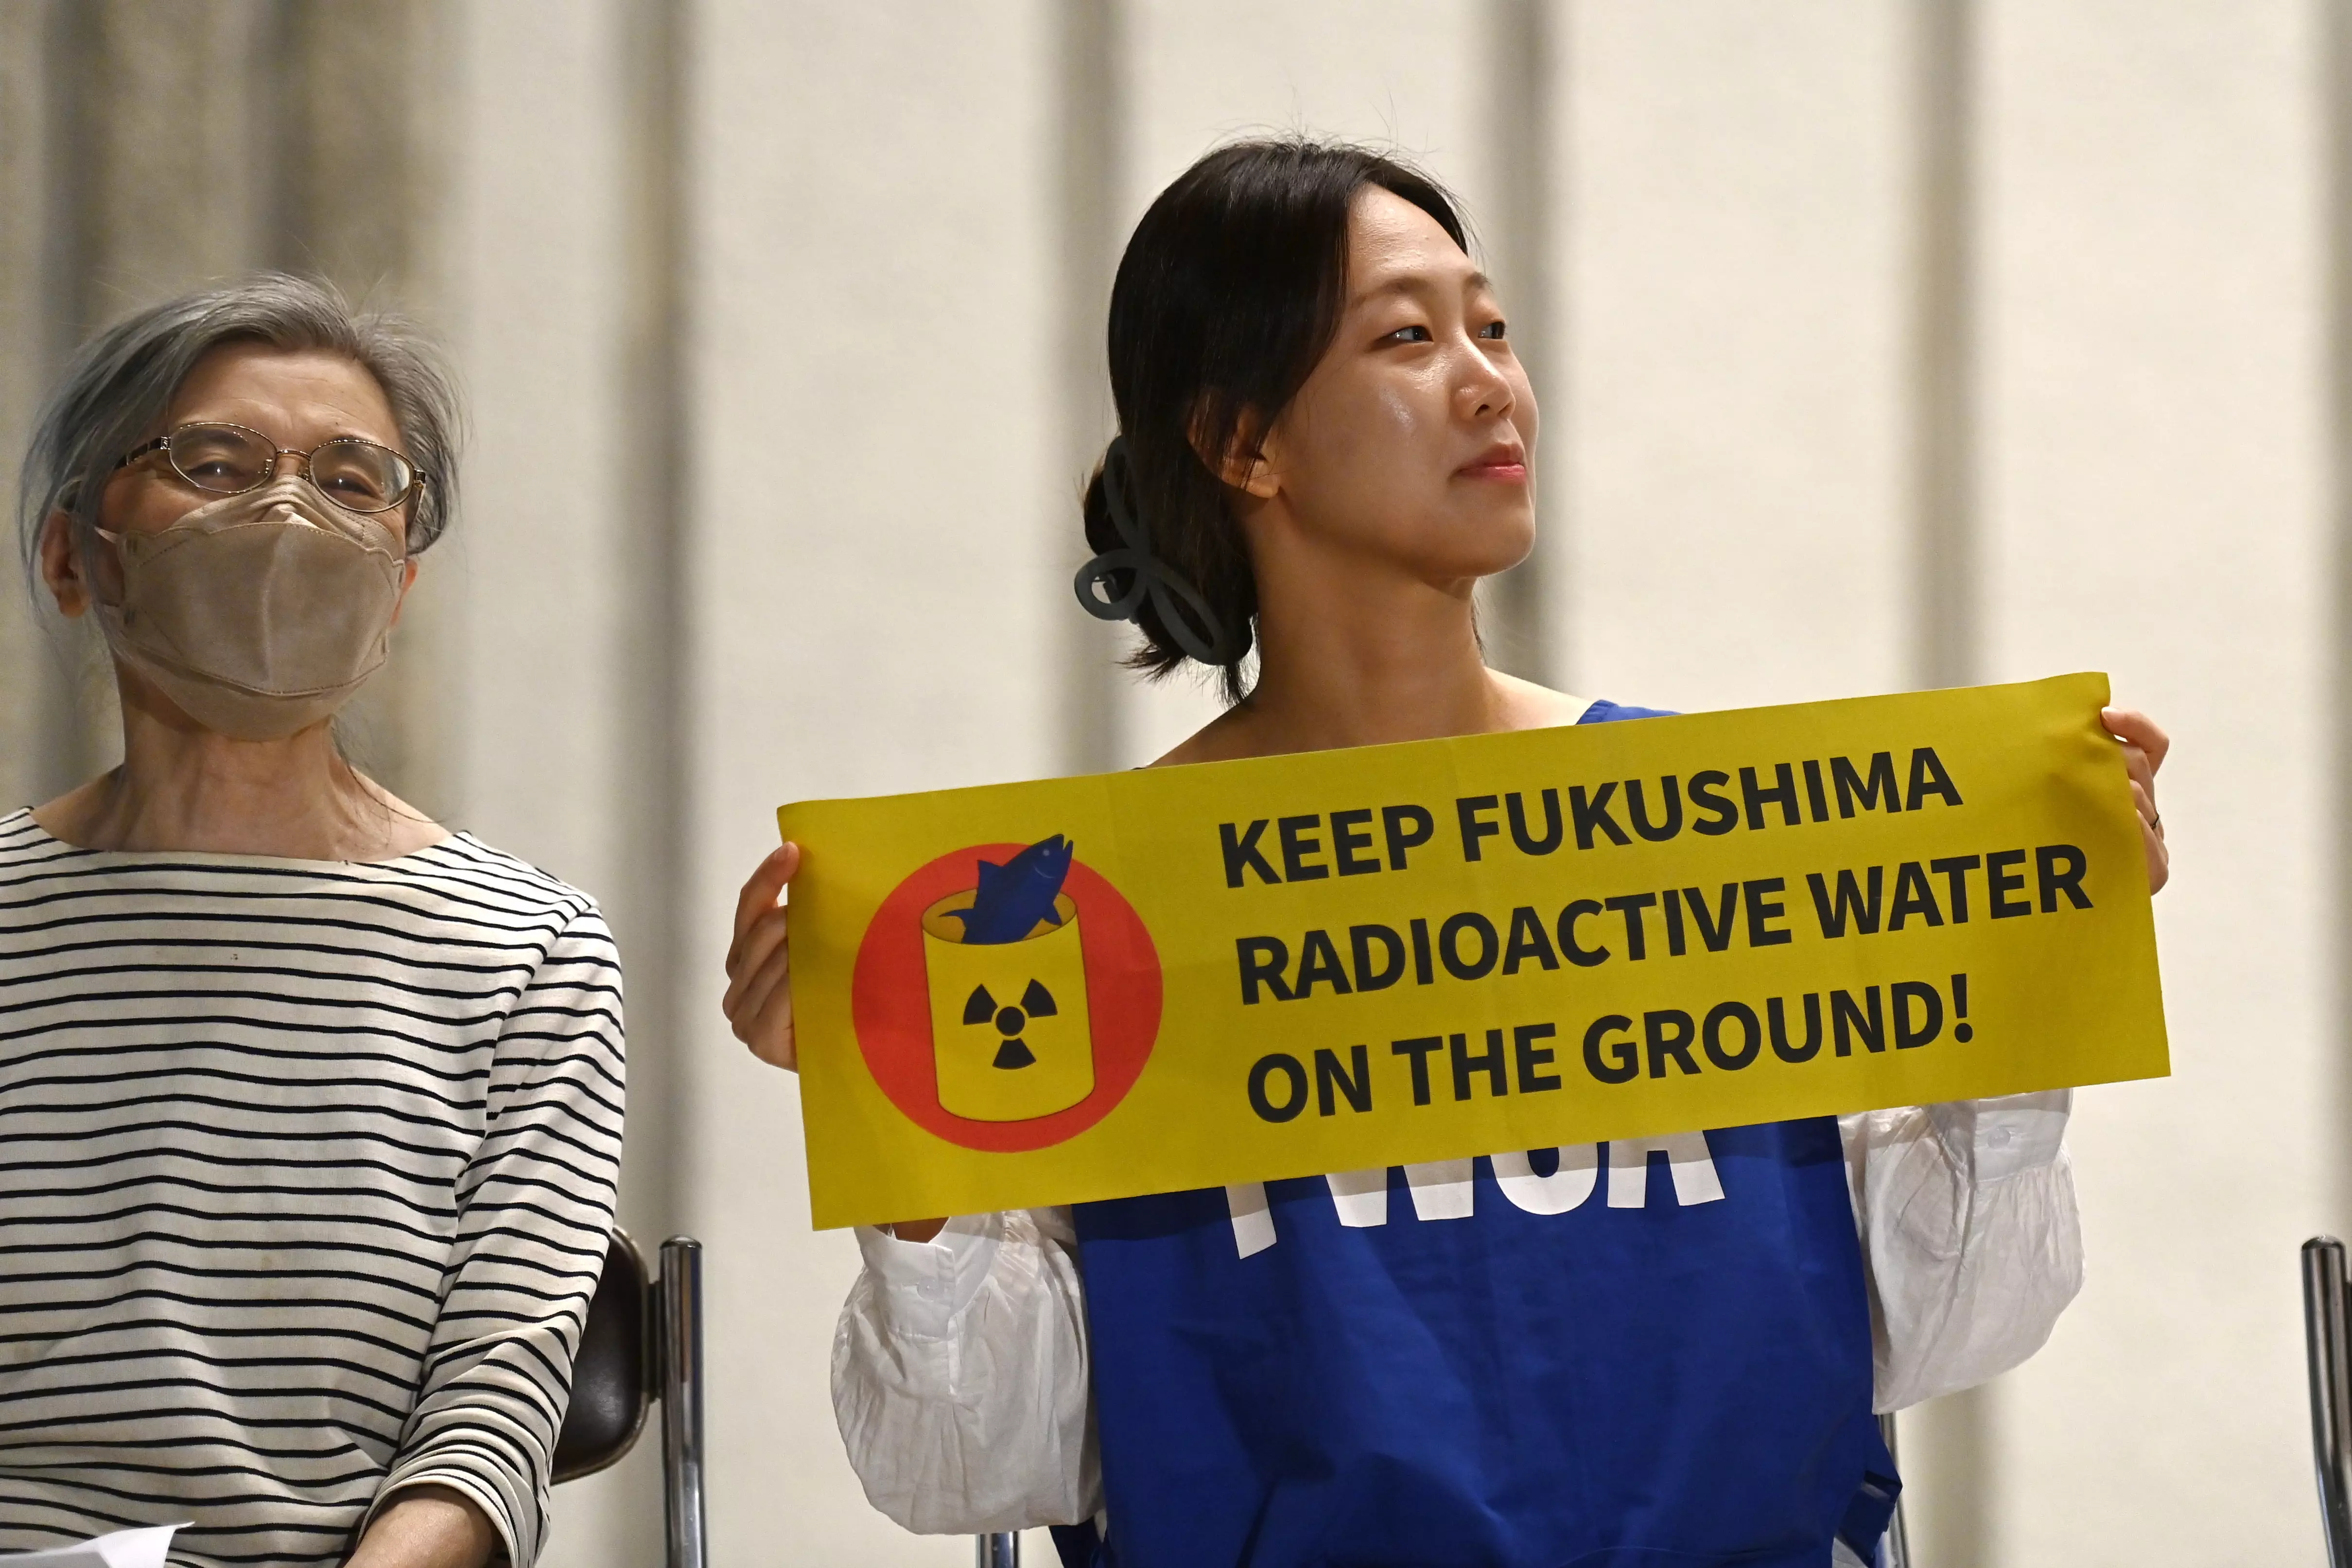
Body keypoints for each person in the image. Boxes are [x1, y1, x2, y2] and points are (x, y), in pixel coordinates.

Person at [724, 139, 2172, 1568]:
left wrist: (2025, 934)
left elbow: (1956, 1321)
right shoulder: (1090, 916)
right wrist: (906, 1149)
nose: (1492, 384)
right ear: (1244, 443)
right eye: (1407, 339)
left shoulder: (1720, 833)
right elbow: (974, 1463)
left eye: (1491, 326)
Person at [0, 276, 625, 1568]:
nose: (284, 515)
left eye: (352, 483)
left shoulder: (528, 955)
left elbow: (488, 1420)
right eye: (215, 463)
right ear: (75, 554)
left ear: (397, 585)